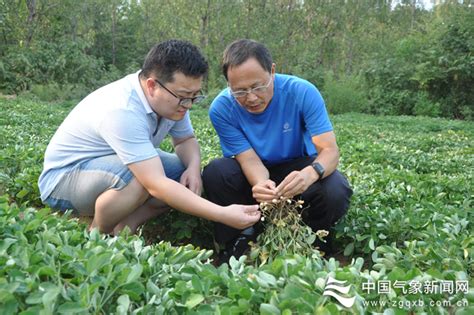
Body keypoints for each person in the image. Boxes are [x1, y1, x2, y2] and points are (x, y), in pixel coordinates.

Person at [38, 39, 261, 235]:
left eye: (194, 96)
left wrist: (193, 168)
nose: (189, 104)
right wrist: (222, 214)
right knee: (141, 179)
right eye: (184, 96)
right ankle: (98, 235)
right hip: (64, 180)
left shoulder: (174, 101)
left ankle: (125, 226)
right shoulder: (122, 109)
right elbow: (156, 185)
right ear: (153, 85)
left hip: (109, 167)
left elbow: (185, 140)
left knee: (179, 171)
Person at [202, 39, 353, 262]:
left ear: (272, 71)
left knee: (335, 188)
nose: (251, 98)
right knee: (216, 172)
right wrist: (261, 184)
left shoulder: (302, 92)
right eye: (240, 91)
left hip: (297, 167)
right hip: (253, 173)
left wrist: (308, 175)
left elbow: (330, 151)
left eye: (258, 86)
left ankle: (316, 239)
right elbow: (248, 159)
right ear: (228, 84)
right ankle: (240, 238)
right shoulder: (222, 108)